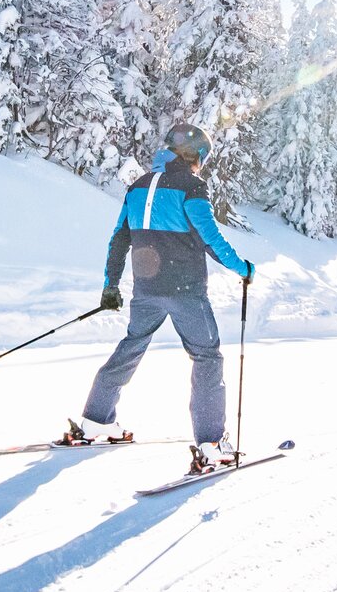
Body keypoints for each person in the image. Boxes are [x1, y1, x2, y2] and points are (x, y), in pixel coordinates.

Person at [62, 121, 254, 474]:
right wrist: (243, 268)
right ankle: (211, 445)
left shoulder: (137, 187)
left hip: (146, 292)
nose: (201, 165)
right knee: (207, 357)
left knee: (131, 345)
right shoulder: (192, 187)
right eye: (202, 158)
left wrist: (111, 286)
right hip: (185, 292)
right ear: (194, 155)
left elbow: (120, 239)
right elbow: (209, 238)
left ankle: (96, 420)